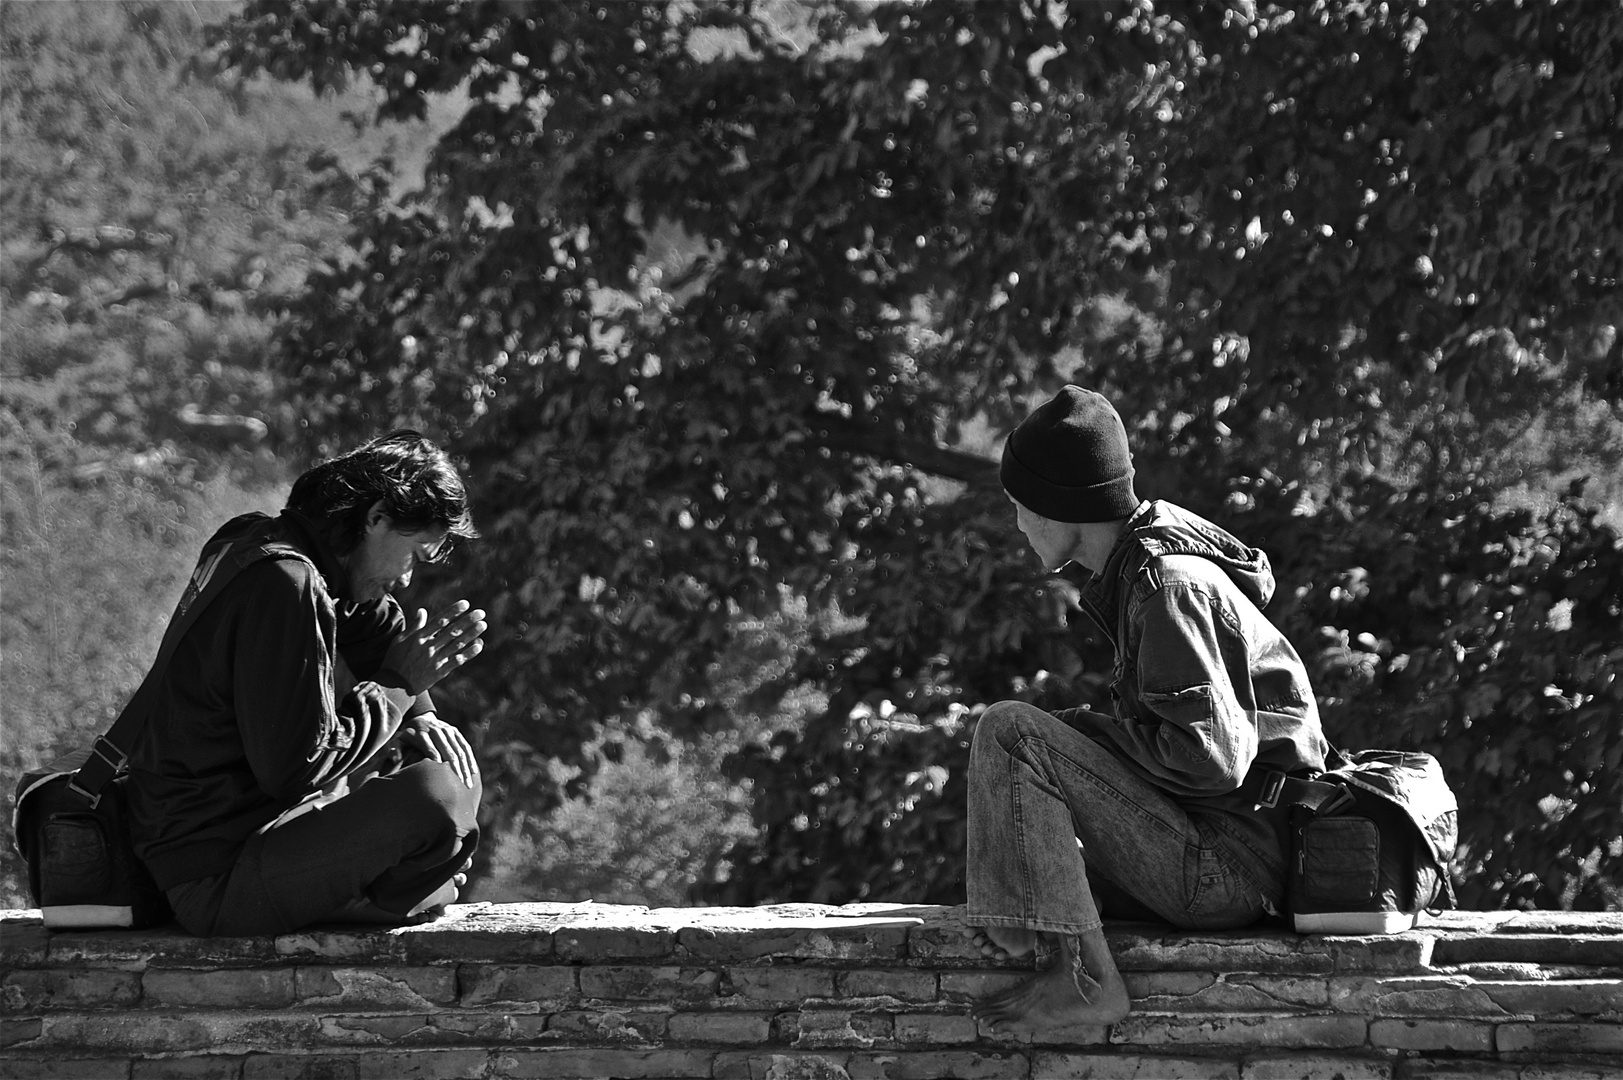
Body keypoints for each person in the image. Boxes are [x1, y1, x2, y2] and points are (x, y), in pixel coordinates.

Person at [967, 385, 1329, 1031]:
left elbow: (1208, 759)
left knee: (1010, 731)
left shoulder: (1168, 588)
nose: (1019, 525)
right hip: (1216, 852)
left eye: (1021, 506)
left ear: (1058, 503)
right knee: (1039, 836)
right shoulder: (1143, 575)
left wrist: (1082, 734)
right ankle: (1024, 936)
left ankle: (1084, 983)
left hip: (1229, 867)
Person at [127, 431, 489, 936]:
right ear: (377, 517)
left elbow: (375, 625)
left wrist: (423, 713)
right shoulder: (285, 584)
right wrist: (398, 686)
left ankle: (401, 885)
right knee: (435, 802)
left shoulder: (255, 540)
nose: (408, 580)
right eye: (415, 553)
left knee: (451, 775)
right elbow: (295, 768)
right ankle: (383, 899)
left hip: (236, 847)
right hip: (213, 878)